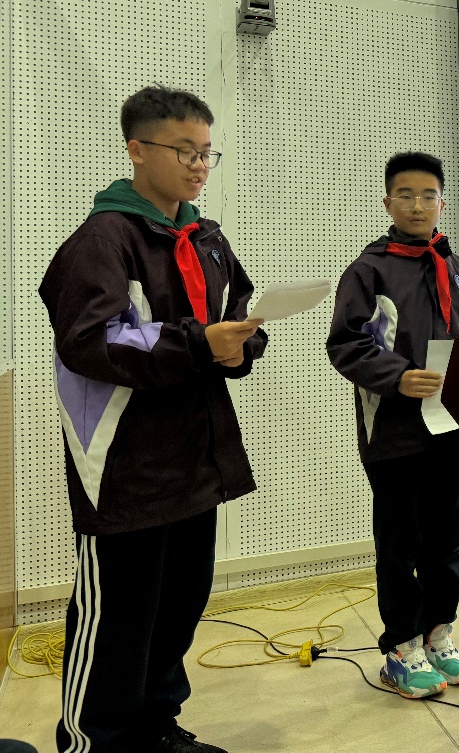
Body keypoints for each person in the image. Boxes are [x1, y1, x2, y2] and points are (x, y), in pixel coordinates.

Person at [38, 86, 267, 753]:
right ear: (137, 150)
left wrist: (242, 344)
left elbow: (236, 311)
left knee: (177, 610)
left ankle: (155, 728)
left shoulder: (207, 237)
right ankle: (93, 741)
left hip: (196, 457)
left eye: (207, 152)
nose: (199, 166)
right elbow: (89, 341)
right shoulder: (103, 240)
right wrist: (200, 344)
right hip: (127, 469)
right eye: (184, 151)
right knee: (117, 621)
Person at [327, 152, 459, 699]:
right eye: (405, 195)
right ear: (388, 203)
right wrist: (398, 376)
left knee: (446, 537)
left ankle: (438, 632)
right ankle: (401, 646)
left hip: (451, 426)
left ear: (441, 202)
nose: (417, 205)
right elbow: (346, 345)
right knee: (401, 542)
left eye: (427, 195)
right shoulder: (369, 270)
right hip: (395, 432)